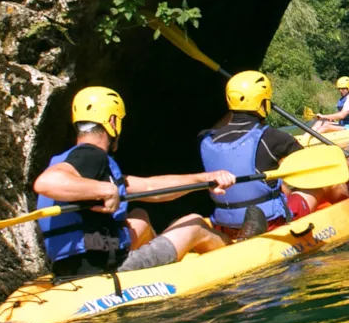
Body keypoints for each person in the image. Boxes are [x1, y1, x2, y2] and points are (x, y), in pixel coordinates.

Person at [33, 86, 237, 277]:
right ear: (112, 122)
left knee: (140, 217)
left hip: (70, 267)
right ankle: (237, 248)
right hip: (105, 268)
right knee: (195, 224)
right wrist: (105, 189)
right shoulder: (91, 156)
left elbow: (150, 187)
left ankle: (158, 261)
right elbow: (46, 182)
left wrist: (204, 178)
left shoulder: (73, 159)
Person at [199, 71, 349, 240]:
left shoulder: (205, 139)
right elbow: (317, 169)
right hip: (271, 221)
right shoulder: (273, 138)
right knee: (328, 183)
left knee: (277, 183)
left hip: (225, 224)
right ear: (262, 101)